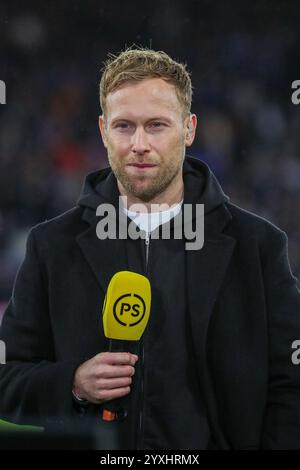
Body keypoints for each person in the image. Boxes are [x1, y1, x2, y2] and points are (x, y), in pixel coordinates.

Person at [1, 47, 300, 450]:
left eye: (157, 125)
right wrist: (72, 383)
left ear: (189, 129)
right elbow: (8, 379)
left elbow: (290, 381)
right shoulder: (52, 245)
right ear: (103, 130)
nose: (139, 143)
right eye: (124, 126)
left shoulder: (257, 246)